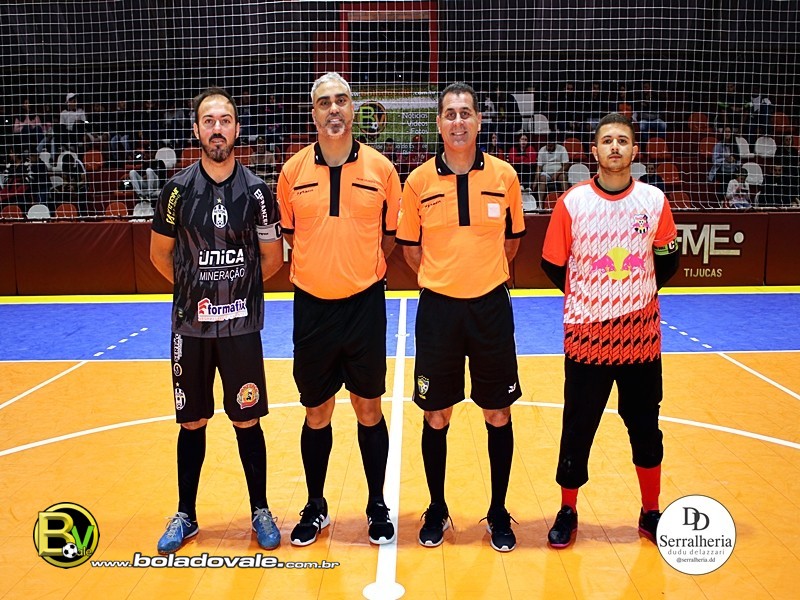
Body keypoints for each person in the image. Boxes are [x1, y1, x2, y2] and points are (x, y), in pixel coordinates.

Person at [149, 87, 284, 555]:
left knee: (247, 420)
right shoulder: (176, 190)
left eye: (225, 120)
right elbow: (159, 255)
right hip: (191, 329)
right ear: (196, 131)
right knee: (192, 421)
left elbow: (272, 257)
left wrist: (234, 294)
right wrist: (196, 293)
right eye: (209, 121)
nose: (217, 128)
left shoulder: (259, 192)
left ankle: (260, 510)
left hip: (241, 330)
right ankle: (185, 514)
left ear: (237, 129)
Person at [396, 82, 526, 553]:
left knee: (498, 412)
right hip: (439, 311)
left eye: (465, 113)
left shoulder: (505, 176)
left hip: (491, 308)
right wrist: (447, 278)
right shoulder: (418, 182)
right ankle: (437, 508)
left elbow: (511, 243)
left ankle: (498, 511)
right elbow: (411, 251)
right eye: (449, 114)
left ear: (478, 121)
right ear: (439, 123)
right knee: (436, 414)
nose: (457, 121)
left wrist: (479, 276)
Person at [540, 112, 679, 549]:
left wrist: (633, 297)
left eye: (622, 140)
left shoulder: (654, 201)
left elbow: (668, 261)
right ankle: (567, 511)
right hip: (587, 335)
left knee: (646, 428)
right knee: (578, 427)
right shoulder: (573, 202)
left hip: (641, 336)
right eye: (607, 140)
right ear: (594, 150)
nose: (615, 147)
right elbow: (551, 263)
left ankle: (651, 511)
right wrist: (590, 298)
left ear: (634, 151)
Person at [276, 72, 401, 547]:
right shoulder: (292, 173)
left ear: (353, 109)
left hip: (364, 307)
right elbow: (292, 235)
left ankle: (376, 504)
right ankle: (315, 504)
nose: (333, 109)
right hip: (312, 308)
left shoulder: (381, 169)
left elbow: (389, 237)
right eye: (324, 102)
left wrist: (356, 269)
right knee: (317, 410)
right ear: (313, 113)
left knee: (369, 407)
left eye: (342, 100)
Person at [536, 133, 570, 205]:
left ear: (555, 144)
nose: (549, 148)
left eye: (551, 146)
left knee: (563, 177)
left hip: (558, 172)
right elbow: (539, 167)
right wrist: (535, 181)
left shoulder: (562, 149)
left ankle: (566, 203)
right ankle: (540, 205)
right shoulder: (542, 150)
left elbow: (566, 165)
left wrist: (557, 174)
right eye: (548, 146)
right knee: (542, 179)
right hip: (546, 173)